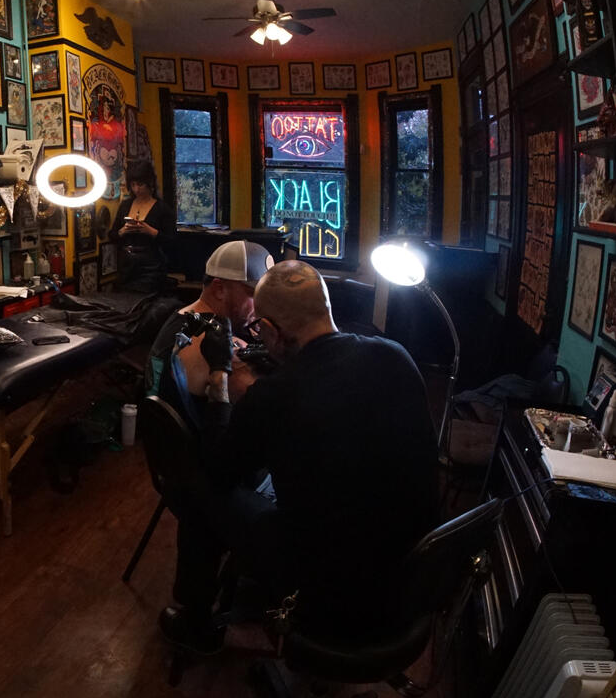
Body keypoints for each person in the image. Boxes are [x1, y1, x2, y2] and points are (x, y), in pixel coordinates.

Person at [159, 261, 440, 654]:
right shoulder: (396, 356)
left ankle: (196, 620)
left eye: (260, 329)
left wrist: (223, 378)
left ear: (270, 331)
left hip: (327, 591)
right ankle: (246, 594)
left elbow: (221, 471)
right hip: (407, 579)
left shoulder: (275, 398)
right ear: (325, 308)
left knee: (201, 481)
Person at [146, 240, 273, 417]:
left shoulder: (184, 316)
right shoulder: (212, 341)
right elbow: (262, 403)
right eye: (253, 294)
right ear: (220, 289)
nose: (260, 306)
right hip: (196, 442)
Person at [112, 162, 175, 292]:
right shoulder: (125, 205)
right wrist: (122, 231)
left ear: (149, 183)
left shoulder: (162, 208)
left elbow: (172, 241)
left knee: (145, 300)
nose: (136, 189)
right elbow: (112, 235)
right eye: (133, 185)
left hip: (151, 266)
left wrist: (150, 231)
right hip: (126, 265)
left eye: (140, 185)